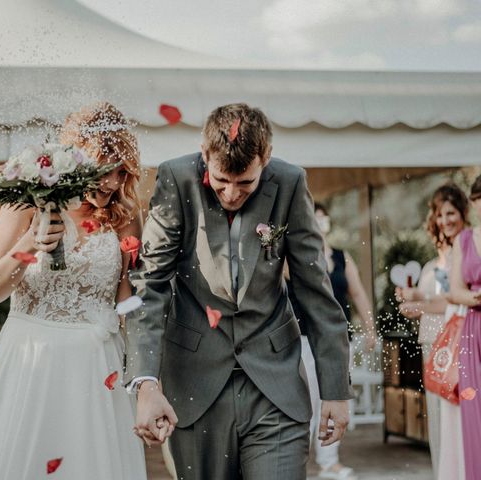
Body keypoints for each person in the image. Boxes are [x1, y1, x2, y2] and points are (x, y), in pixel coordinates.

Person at [125, 103, 352, 480]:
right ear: (204, 154)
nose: (231, 194)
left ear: (266, 158)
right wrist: (146, 384)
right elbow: (150, 287)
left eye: (246, 183)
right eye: (221, 181)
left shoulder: (290, 183)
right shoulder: (175, 179)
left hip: (275, 384)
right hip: (195, 387)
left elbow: (316, 290)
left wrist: (336, 390)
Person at [0, 103, 147, 479]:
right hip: (32, 360)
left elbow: (129, 302)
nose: (111, 183)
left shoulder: (127, 214)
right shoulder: (28, 200)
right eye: (101, 172)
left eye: (119, 172)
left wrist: (145, 374)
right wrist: (29, 244)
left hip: (97, 365)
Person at [286, 202, 376, 480]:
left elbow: (358, 293)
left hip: (338, 341)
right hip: (303, 339)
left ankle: (329, 461)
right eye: (314, 216)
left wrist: (370, 328)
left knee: (335, 397)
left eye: (323, 216)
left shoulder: (341, 256)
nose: (319, 221)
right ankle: (297, 460)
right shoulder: (292, 257)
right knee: (308, 402)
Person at [397, 184, 468, 480]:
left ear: (464, 213)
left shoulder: (466, 251)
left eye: (451, 213)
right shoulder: (431, 263)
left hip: (458, 343)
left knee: (457, 418)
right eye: (440, 215)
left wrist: (420, 304)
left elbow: (452, 301)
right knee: (436, 418)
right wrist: (413, 300)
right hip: (431, 344)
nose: (445, 221)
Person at [448, 174, 481, 480]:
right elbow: (455, 290)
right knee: (474, 410)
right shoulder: (465, 240)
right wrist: (476, 296)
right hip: (474, 332)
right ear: (474, 203)